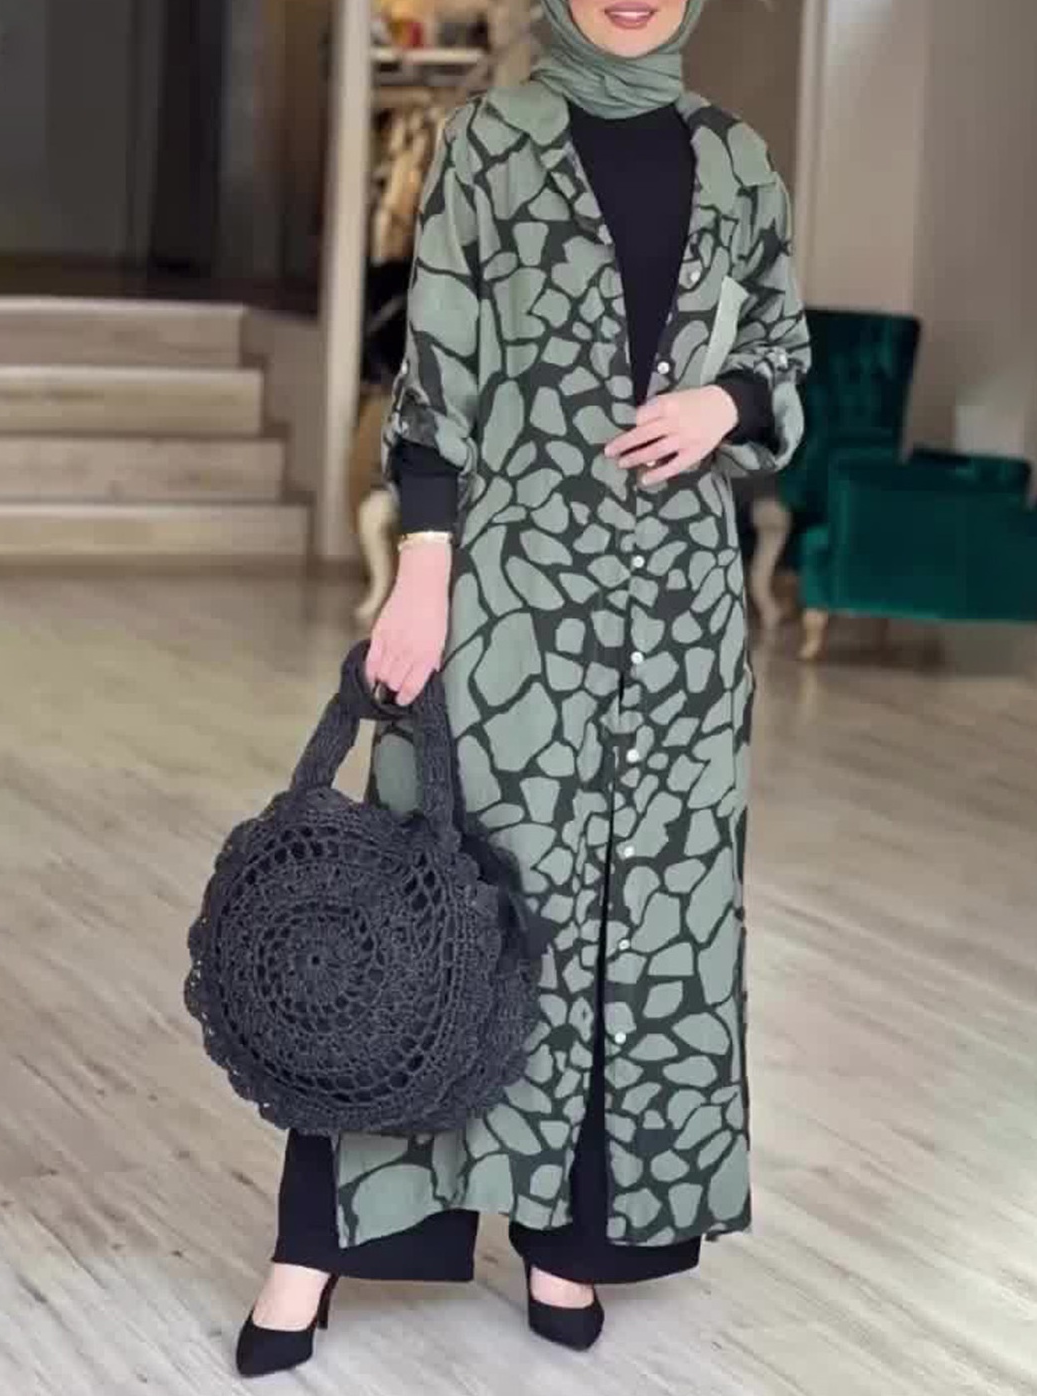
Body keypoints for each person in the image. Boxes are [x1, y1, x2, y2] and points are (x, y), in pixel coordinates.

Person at [236, 0, 811, 1377]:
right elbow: (435, 373)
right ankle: (320, 1244)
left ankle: (569, 1231)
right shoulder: (490, 138)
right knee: (439, 901)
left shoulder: (737, 158)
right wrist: (422, 568)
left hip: (676, 621)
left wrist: (728, 404)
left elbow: (782, 353)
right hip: (512, 599)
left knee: (640, 922)